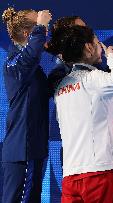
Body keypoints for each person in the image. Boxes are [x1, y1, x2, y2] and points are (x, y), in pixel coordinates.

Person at [52, 25, 113, 202]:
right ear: (88, 47)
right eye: (97, 43)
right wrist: (112, 56)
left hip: (71, 175)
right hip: (100, 172)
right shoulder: (94, 78)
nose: (100, 47)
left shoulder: (60, 87)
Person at [1, 7, 51, 202]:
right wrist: (40, 27)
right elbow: (29, 57)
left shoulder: (32, 69)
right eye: (39, 27)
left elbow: (48, 89)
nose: (46, 31)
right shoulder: (14, 62)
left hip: (32, 149)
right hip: (23, 149)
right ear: (26, 33)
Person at [46, 16, 86, 97]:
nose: (88, 33)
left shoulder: (94, 63)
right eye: (82, 30)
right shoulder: (58, 75)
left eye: (86, 29)